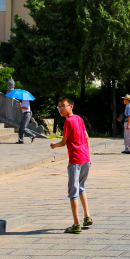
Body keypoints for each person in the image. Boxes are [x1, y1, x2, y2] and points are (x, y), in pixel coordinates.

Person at [50, 96, 92, 233]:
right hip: (85, 159)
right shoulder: (79, 119)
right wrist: (89, 156)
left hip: (75, 160)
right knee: (81, 187)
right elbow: (86, 137)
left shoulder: (68, 122)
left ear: (71, 106)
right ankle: (87, 216)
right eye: (59, 107)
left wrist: (54, 145)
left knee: (73, 192)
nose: (60, 109)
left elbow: (63, 142)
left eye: (63, 106)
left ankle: (76, 224)